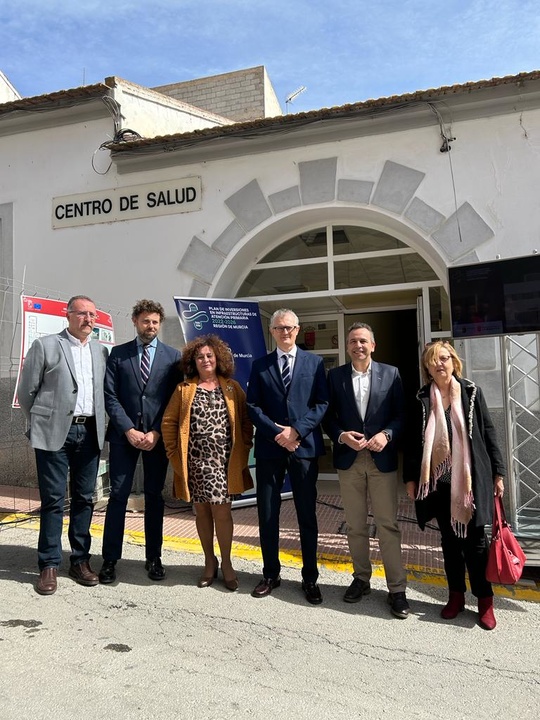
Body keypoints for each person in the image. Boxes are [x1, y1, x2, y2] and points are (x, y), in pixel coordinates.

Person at [405, 341, 506, 630]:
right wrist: (411, 478)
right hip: (439, 485)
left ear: (454, 362)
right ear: (427, 367)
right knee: (449, 545)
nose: (440, 364)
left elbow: (488, 432)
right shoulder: (422, 398)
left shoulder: (471, 392)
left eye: (445, 358)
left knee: (476, 546)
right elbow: (415, 442)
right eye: (434, 360)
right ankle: (456, 597)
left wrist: (498, 473)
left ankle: (485, 602)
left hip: (470, 484)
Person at [18, 295, 108, 595]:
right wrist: (44, 423)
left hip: (89, 432)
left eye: (93, 315)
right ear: (67, 316)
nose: (89, 320)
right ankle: (49, 564)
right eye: (82, 314)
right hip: (56, 434)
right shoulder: (46, 346)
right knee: (54, 500)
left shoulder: (100, 351)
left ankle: (80, 560)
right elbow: (27, 391)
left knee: (85, 498)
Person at [324, 322, 409, 618]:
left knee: (387, 525)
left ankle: (397, 589)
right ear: (347, 347)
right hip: (349, 460)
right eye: (352, 342)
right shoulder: (334, 377)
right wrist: (341, 435)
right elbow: (328, 417)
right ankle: (361, 578)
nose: (357, 346)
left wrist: (387, 434)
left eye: (363, 341)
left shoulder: (392, 374)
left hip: (381, 460)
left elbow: (402, 415)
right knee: (355, 525)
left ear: (373, 345)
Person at [246, 308, 328, 604]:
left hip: (303, 449)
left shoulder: (315, 363)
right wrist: (277, 434)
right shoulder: (260, 365)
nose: (285, 332)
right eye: (280, 328)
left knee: (307, 514)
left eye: (290, 327)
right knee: (268, 513)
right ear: (272, 331)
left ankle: (310, 578)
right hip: (270, 448)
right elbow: (252, 406)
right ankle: (270, 574)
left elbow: (322, 403)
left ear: (298, 328)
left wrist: (296, 432)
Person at [161, 334, 253, 590]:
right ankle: (208, 562)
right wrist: (173, 454)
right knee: (201, 511)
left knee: (222, 513)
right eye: (200, 356)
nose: (205, 360)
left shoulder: (233, 387)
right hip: (195, 464)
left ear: (218, 358)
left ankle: (226, 563)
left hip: (223, 464)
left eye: (209, 356)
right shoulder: (184, 389)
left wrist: (244, 448)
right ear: (194, 361)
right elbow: (168, 423)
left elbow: (246, 422)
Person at [99, 299, 181, 584]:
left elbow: (174, 400)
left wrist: (157, 431)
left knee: (154, 497)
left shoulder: (173, 357)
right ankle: (109, 559)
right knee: (118, 496)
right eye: (146, 321)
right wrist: (128, 430)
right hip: (125, 438)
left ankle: (154, 557)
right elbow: (110, 396)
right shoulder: (118, 355)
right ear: (135, 321)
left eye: (156, 322)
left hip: (156, 439)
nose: (151, 326)